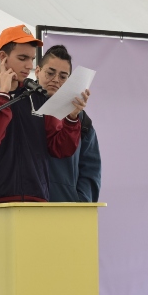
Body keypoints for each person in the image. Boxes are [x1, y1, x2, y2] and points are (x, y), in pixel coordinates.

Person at [0, 25, 89, 240]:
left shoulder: (37, 96)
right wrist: (3, 93)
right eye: (23, 58)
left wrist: (71, 118)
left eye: (31, 59)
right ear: (3, 57)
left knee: (31, 269)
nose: (29, 65)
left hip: (36, 201)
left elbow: (60, 149)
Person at [35, 45, 101, 202]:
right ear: (37, 71)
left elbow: (91, 168)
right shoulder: (21, 107)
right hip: (25, 205)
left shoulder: (81, 119)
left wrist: (83, 201)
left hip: (67, 207)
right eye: (50, 73)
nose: (56, 80)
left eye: (63, 76)